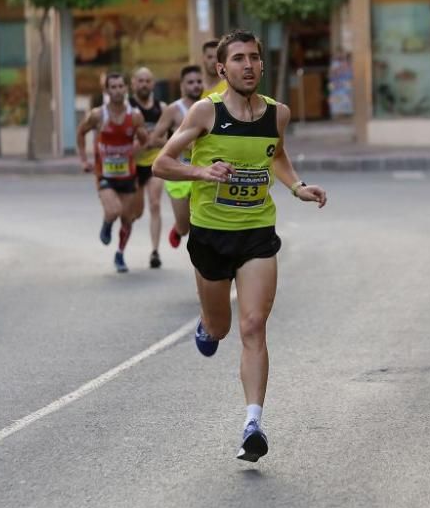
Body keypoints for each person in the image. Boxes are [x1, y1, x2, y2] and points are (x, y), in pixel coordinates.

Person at [153, 29, 327, 462]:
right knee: (221, 327)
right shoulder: (204, 112)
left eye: (254, 58)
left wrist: (296, 187)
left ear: (262, 65)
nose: (247, 65)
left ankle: (253, 423)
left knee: (252, 325)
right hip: (211, 233)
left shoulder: (277, 114)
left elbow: (277, 154)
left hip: (256, 232)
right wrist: (201, 173)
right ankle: (207, 326)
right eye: (238, 59)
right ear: (221, 68)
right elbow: (162, 164)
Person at [76, 73, 149, 273]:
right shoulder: (98, 115)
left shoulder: (134, 116)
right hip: (105, 174)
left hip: (128, 175)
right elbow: (81, 132)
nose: (117, 90)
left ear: (126, 89)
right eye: (113, 87)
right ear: (107, 91)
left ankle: (120, 254)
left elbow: (144, 139)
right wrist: (84, 159)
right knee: (113, 210)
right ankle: (107, 224)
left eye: (120, 86)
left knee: (127, 218)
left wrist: (133, 149)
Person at [148, 65, 204, 250]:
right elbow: (154, 138)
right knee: (184, 227)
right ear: (182, 86)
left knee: (205, 221)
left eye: (198, 81)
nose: (196, 86)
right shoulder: (173, 110)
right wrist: (178, 144)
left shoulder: (210, 106)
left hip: (202, 171)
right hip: (178, 173)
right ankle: (178, 229)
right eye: (191, 82)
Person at [128, 67, 168, 269]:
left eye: (147, 81)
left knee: (155, 204)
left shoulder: (162, 108)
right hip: (133, 166)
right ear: (133, 83)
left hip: (154, 163)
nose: (144, 84)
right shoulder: (127, 108)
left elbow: (169, 140)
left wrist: (154, 142)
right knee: (137, 212)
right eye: (140, 81)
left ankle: (155, 251)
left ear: (153, 84)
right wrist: (139, 144)